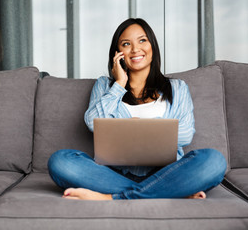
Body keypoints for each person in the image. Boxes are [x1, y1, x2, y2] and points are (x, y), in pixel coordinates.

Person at [48, 18, 227, 200]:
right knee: (60, 161)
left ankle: (110, 198)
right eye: (126, 44)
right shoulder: (105, 86)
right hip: (112, 175)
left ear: (152, 46)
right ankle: (170, 192)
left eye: (142, 40)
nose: (135, 49)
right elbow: (93, 123)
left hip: (168, 172)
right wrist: (119, 84)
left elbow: (185, 134)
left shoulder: (178, 88)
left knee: (214, 161)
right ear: (118, 53)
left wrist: (136, 127)